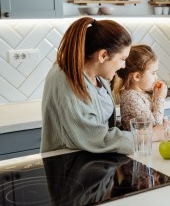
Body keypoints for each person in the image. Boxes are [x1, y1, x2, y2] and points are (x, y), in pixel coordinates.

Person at [41, 17, 133, 154]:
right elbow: (97, 138)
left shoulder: (97, 77)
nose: (123, 65)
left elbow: (103, 123)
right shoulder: (68, 78)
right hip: (69, 168)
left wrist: (134, 129)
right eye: (122, 59)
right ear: (103, 55)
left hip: (93, 166)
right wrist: (146, 137)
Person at [113, 44, 167, 141]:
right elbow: (155, 126)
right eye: (153, 73)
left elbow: (152, 118)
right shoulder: (131, 98)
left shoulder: (139, 94)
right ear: (137, 76)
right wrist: (160, 99)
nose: (156, 77)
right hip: (139, 149)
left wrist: (155, 98)